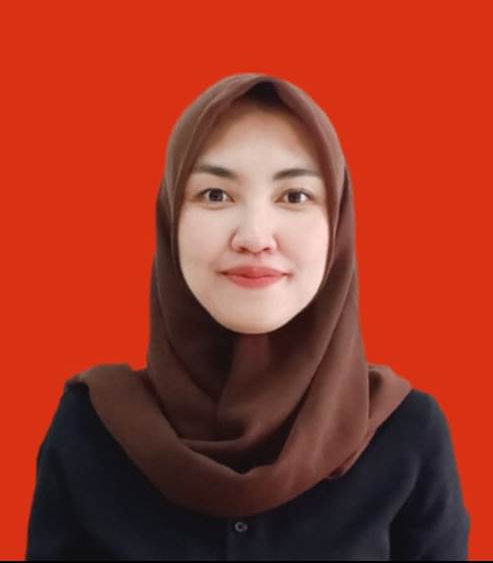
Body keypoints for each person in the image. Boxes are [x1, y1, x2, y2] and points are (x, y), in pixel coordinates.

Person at [25, 73, 470, 560]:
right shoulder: (92, 427)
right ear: (171, 222)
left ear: (337, 226)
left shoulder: (407, 434)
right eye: (215, 195)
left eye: (295, 196)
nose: (255, 236)